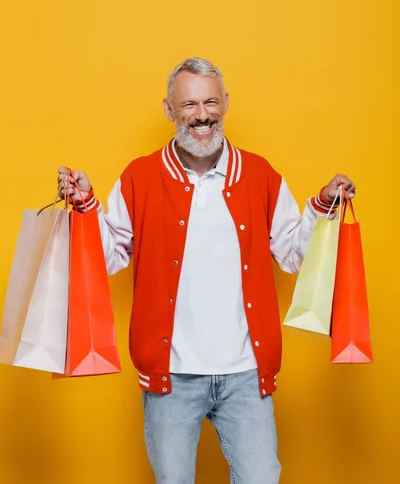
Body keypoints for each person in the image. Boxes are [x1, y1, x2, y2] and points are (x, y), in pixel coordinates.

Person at [58, 57, 355, 484]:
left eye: (210, 102)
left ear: (226, 103)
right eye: (189, 105)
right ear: (169, 110)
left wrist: (324, 205)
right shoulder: (140, 177)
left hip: (246, 374)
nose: (201, 115)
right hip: (171, 378)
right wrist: (86, 207)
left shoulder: (259, 174)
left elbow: (294, 254)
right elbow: (108, 257)